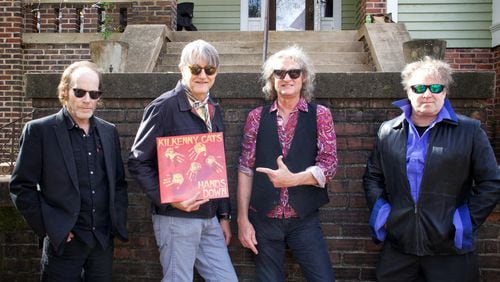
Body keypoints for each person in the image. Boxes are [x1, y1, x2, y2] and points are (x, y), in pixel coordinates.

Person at [363, 56, 500, 281]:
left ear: (445, 92)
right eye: (419, 88)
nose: (427, 94)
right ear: (408, 92)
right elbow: (373, 177)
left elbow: (491, 182)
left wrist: (462, 222)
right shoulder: (388, 131)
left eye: (436, 87)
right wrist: (385, 216)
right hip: (400, 245)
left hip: (449, 248)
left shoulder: (470, 131)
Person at [128, 39, 237, 282]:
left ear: (216, 73)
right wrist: (170, 200)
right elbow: (137, 161)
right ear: (182, 69)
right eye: (195, 69)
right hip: (176, 219)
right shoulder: (164, 106)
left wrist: (223, 216)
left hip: (209, 219)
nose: (202, 75)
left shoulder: (213, 109)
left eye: (209, 70)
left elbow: (216, 166)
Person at [9, 60, 129, 281]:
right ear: (65, 91)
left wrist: (115, 222)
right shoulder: (39, 131)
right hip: (63, 244)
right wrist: (51, 228)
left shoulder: (108, 132)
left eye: (94, 94)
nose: (87, 99)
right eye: (80, 92)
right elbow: (21, 187)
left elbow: (118, 183)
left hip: (101, 243)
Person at [237, 46, 338, 281]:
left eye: (294, 72)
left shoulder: (320, 114)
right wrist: (242, 219)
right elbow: (245, 169)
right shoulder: (256, 117)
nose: (286, 78)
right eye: (279, 73)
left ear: (304, 78)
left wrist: (293, 179)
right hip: (263, 219)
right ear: (271, 79)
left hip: (304, 218)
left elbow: (329, 164)